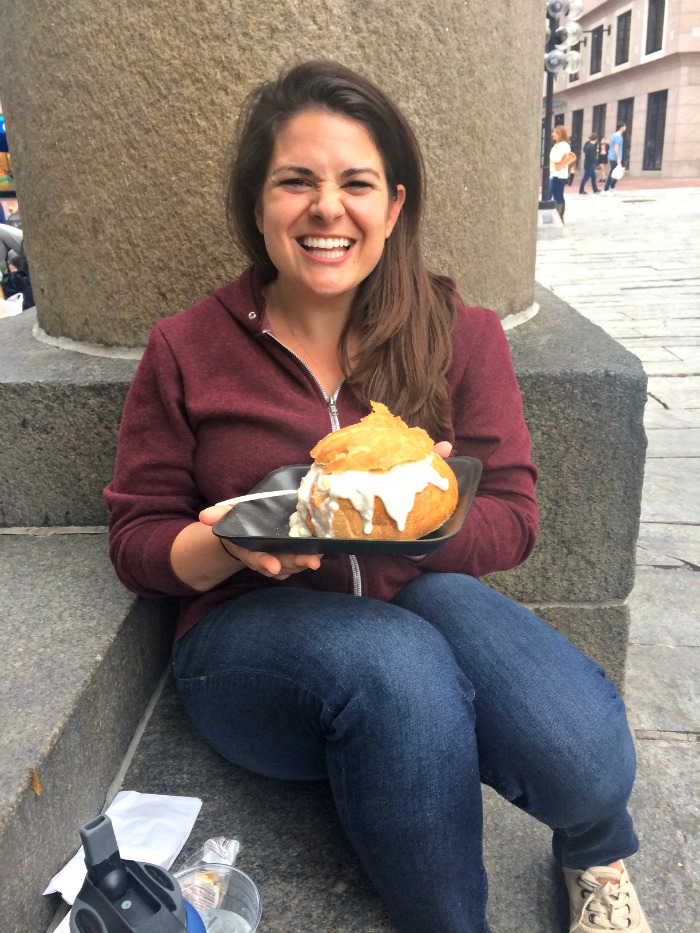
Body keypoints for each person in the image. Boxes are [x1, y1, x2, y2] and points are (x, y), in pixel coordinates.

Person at [105, 60, 650, 933]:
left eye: (356, 183)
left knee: (580, 750)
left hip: (421, 593)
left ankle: (594, 849)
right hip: (248, 636)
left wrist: (418, 518)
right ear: (258, 205)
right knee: (402, 675)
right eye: (296, 182)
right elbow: (136, 537)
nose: (328, 208)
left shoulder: (458, 333)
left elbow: (513, 515)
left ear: (393, 207)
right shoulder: (186, 347)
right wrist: (226, 543)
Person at [548, 125, 575, 223]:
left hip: (559, 174)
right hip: (554, 173)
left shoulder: (564, 145)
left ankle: (559, 216)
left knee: (558, 195)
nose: (552, 134)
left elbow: (557, 158)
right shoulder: (557, 145)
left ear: (559, 134)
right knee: (557, 195)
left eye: (554, 132)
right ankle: (559, 216)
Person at [604, 123, 626, 194]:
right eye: (624, 126)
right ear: (621, 127)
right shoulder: (618, 136)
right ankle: (607, 189)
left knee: (616, 172)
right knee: (614, 173)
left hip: (612, 156)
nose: (625, 128)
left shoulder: (614, 135)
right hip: (615, 157)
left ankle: (611, 187)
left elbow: (611, 144)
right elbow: (616, 149)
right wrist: (618, 159)